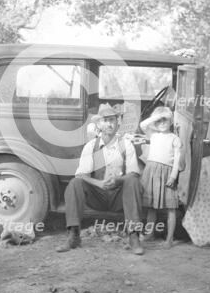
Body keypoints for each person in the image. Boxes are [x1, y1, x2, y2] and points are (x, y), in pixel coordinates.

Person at [56, 103, 145, 255]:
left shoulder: (126, 144)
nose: (109, 124)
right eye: (105, 120)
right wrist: (98, 183)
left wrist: (119, 180)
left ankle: (134, 236)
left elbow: (133, 173)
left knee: (133, 181)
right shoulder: (91, 146)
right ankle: (73, 235)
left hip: (119, 196)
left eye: (112, 120)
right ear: (99, 124)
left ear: (118, 123)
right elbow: (81, 174)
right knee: (75, 183)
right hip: (97, 195)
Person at [139, 106, 182, 248]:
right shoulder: (154, 135)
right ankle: (150, 233)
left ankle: (169, 239)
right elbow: (143, 125)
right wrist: (157, 117)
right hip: (151, 171)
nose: (162, 123)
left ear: (171, 121)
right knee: (151, 207)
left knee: (171, 208)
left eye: (165, 120)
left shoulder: (175, 139)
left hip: (167, 173)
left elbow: (177, 161)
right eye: (159, 120)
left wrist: (173, 176)